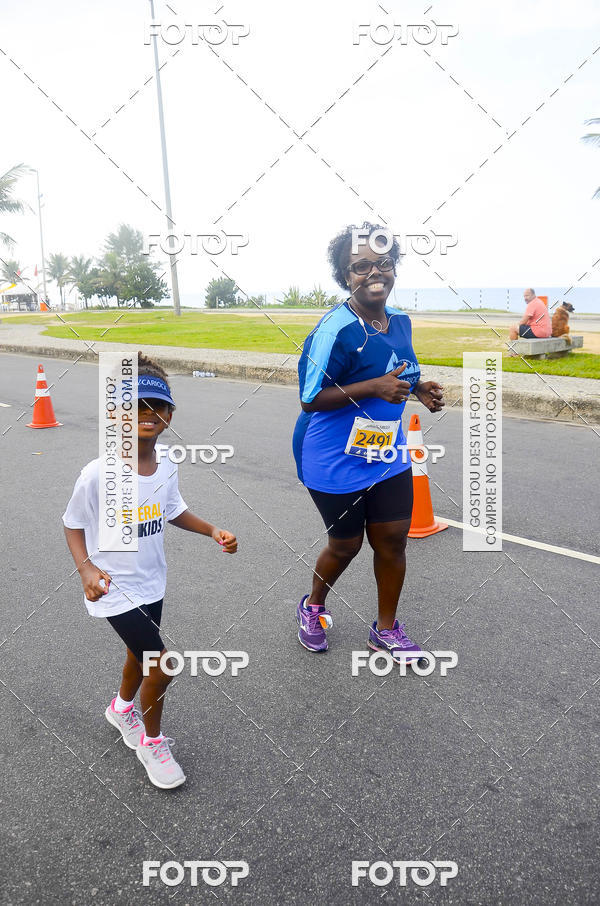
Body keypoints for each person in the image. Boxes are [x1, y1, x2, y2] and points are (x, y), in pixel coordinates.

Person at [63, 352, 237, 789]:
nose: (148, 415)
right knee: (162, 663)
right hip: (113, 587)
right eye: (136, 407)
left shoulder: (168, 465)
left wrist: (211, 529)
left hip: (151, 580)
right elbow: (72, 522)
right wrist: (85, 569)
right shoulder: (98, 472)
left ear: (170, 414)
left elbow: (173, 510)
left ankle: (121, 709)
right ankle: (151, 742)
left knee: (137, 658)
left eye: (157, 407)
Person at [292, 223, 444, 662]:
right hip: (331, 455)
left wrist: (417, 389)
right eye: (361, 266)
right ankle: (312, 607)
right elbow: (309, 399)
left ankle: (386, 630)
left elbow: (398, 369)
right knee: (346, 545)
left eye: (384, 263)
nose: (374, 273)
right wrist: (375, 387)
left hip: (385, 451)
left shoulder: (399, 320)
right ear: (345, 276)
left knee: (393, 540)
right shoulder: (334, 330)